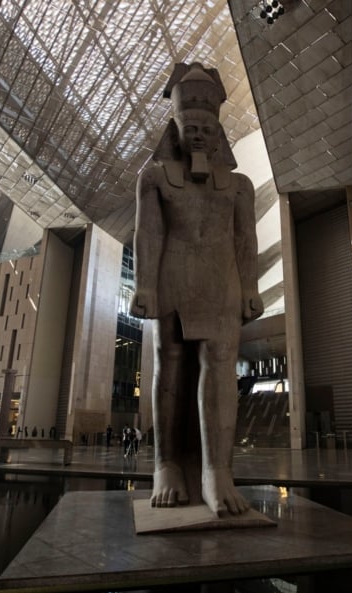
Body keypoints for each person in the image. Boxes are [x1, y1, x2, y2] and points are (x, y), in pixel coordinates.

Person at [130, 62, 263, 517]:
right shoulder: (154, 178)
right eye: (192, 127)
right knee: (169, 363)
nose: (201, 135)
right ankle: (166, 464)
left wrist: (251, 287)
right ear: (177, 128)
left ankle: (215, 470)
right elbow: (148, 235)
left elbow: (246, 240)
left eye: (208, 127)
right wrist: (143, 285)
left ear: (219, 130)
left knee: (221, 365)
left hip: (221, 281)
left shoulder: (239, 185)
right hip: (171, 278)